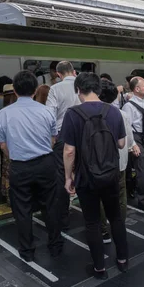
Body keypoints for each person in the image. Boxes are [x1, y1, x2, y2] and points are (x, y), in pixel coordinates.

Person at [62, 72, 129, 280]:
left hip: (86, 176)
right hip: (110, 174)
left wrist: (68, 178)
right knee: (116, 217)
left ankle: (99, 268)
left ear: (78, 90)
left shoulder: (73, 114)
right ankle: (123, 260)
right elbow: (121, 144)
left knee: (91, 222)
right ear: (99, 90)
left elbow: (69, 151)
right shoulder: (114, 112)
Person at [0, 70, 63, 262]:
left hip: (19, 166)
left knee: (22, 209)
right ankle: (55, 246)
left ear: (14, 90)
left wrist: (15, 156)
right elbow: (53, 140)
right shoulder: (46, 111)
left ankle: (27, 251)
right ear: (35, 90)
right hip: (46, 164)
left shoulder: (4, 114)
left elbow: (3, 145)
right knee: (50, 206)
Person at [98, 79, 140, 243]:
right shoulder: (122, 114)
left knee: (100, 197)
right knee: (120, 196)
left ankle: (103, 231)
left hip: (100, 165)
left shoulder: (91, 113)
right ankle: (119, 225)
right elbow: (128, 141)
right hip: (120, 163)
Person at [46, 61, 80, 230]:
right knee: (84, 171)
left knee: (63, 175)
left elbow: (50, 115)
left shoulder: (55, 89)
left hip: (63, 136)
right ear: (73, 72)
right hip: (84, 135)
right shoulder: (82, 85)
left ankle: (64, 218)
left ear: (58, 74)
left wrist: (53, 138)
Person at [122, 76, 144, 213]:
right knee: (141, 168)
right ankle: (143, 200)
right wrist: (133, 144)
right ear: (137, 89)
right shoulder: (128, 106)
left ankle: (132, 188)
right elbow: (127, 127)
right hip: (137, 137)